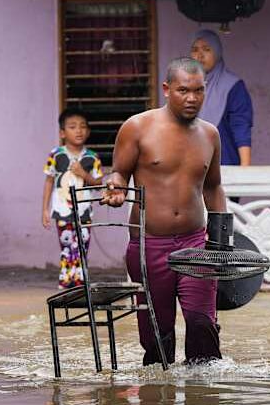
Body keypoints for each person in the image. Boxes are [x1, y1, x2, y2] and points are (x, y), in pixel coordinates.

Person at [101, 57, 227, 365]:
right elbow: (118, 172)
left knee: (201, 324)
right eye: (184, 90)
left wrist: (223, 240)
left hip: (196, 244)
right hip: (148, 244)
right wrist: (115, 187)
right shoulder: (137, 128)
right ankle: (158, 403)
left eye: (199, 91)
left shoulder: (210, 135)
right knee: (158, 335)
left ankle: (204, 404)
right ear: (167, 89)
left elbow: (213, 187)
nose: (192, 98)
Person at [42, 108, 103, 289]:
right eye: (72, 127)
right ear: (62, 133)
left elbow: (98, 184)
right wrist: (45, 209)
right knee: (67, 246)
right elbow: (49, 182)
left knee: (83, 246)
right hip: (62, 210)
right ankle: (66, 282)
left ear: (88, 132)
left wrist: (83, 173)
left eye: (83, 127)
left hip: (84, 211)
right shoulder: (55, 155)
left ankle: (80, 282)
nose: (79, 130)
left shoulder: (92, 157)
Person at [190, 29, 253, 168]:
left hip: (224, 165)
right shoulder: (186, 85)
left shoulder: (232, 86)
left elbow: (241, 126)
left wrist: (246, 169)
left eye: (206, 49)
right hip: (190, 168)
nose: (199, 56)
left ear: (217, 53)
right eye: (195, 50)